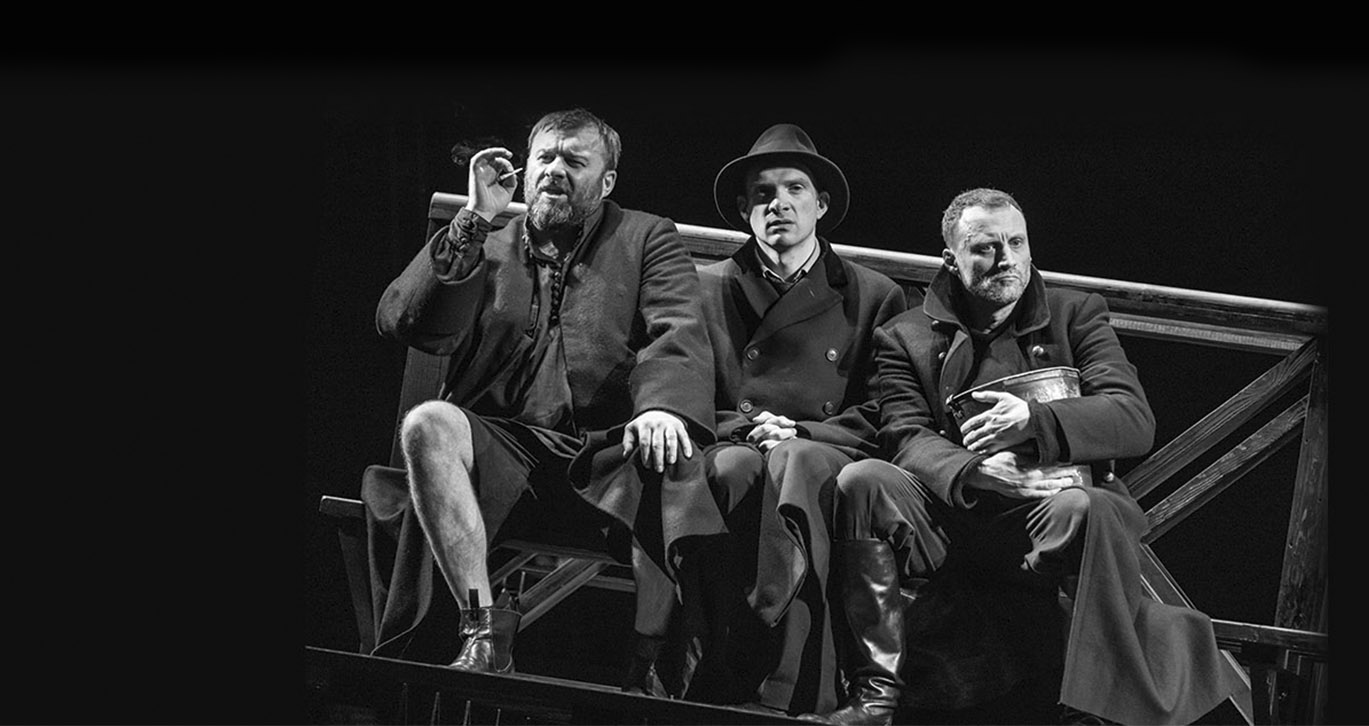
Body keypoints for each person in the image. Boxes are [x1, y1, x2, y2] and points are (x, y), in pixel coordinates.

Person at [827, 188, 1247, 725]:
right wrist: (976, 471)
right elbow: (904, 435)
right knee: (863, 480)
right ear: (951, 260)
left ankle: (1088, 713)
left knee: (1089, 508)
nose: (1006, 258)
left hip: (1045, 515)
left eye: (1016, 243)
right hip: (953, 514)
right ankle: (876, 697)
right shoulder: (904, 336)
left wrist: (1034, 421)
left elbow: (1132, 418)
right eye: (985, 247)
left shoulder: (1074, 314)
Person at [362, 108, 722, 695]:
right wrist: (475, 217)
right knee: (427, 423)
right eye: (544, 158)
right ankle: (481, 634)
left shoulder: (645, 236)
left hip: (604, 453)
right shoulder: (486, 238)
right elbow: (406, 322)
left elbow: (676, 327)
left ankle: (648, 662)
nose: (555, 170)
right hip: (502, 449)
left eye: (575, 161)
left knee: (672, 450)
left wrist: (661, 406)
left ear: (606, 181)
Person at [684, 124, 908, 717]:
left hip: (822, 447)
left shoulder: (873, 294)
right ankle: (714, 671)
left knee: (798, 461)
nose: (778, 203)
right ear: (744, 209)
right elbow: (683, 384)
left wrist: (803, 431)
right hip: (736, 438)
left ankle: (789, 685)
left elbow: (883, 408)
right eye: (763, 193)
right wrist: (747, 428)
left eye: (794, 189)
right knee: (729, 470)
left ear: (821, 205)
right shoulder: (704, 288)